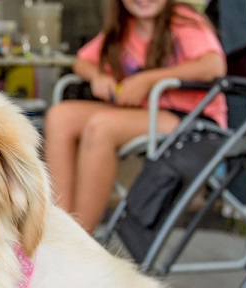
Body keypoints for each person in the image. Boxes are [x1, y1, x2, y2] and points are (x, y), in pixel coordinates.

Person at [42, 0, 227, 233]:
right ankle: (58, 227)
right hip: (141, 113)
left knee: (100, 127)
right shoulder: (125, 26)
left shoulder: (183, 20)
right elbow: (82, 61)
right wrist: (98, 75)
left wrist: (149, 80)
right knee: (60, 116)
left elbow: (214, 66)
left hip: (191, 117)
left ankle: (79, 239)